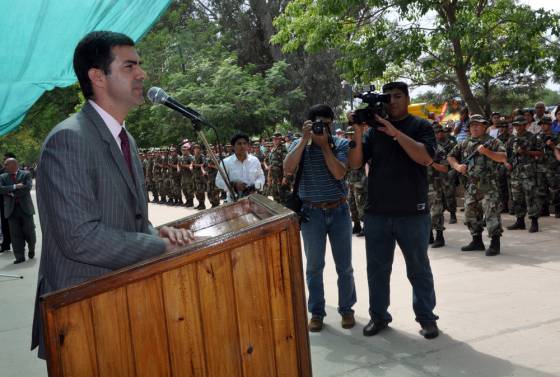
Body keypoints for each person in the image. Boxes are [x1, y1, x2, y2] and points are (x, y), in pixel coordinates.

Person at [31, 31, 193, 360]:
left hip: (121, 305)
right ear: (97, 77)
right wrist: (157, 246)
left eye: (140, 65)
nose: (142, 74)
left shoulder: (124, 138)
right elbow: (79, 238)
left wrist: (156, 232)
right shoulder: (69, 140)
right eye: (129, 66)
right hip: (84, 315)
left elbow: (127, 217)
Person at [348, 82, 439, 339]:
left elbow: (425, 158)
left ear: (408, 98)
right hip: (377, 212)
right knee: (376, 270)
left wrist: (395, 133)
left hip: (413, 211)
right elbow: (355, 164)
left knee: (418, 268)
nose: (392, 101)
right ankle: (378, 317)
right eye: (387, 98)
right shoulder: (373, 132)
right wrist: (357, 132)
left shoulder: (421, 126)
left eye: (398, 96)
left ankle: (427, 318)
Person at [284, 104, 356, 332]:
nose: (321, 127)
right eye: (317, 123)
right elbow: (287, 168)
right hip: (311, 213)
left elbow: (339, 173)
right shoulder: (300, 145)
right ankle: (316, 312)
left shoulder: (341, 144)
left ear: (332, 124)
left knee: (344, 266)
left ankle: (347, 309)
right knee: (314, 266)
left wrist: (325, 146)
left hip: (339, 211)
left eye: (326, 123)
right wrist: (305, 139)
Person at [447, 115, 507, 256]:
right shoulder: (464, 143)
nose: (474, 127)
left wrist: (487, 152)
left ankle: (495, 243)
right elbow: (450, 156)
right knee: (471, 214)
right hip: (471, 185)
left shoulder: (493, 142)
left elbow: (503, 157)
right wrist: (457, 166)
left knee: (491, 213)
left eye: (478, 125)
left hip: (489, 185)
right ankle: (476, 241)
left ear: (485, 126)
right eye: (472, 125)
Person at [505, 115, 543, 233]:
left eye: (520, 125)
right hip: (515, 173)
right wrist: (507, 164)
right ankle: (520, 221)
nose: (518, 127)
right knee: (517, 198)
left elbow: (541, 153)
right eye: (515, 125)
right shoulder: (511, 139)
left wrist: (527, 152)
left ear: (525, 125)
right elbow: (506, 155)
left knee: (531, 197)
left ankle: (534, 222)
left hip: (528, 173)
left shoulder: (533, 137)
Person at [0, 158, 36, 264]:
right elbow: (0, 189)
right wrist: (15, 186)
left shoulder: (26, 174)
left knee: (29, 232)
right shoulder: (2, 177)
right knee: (15, 235)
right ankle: (19, 257)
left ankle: (31, 248)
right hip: (11, 210)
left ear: (13, 164)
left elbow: (27, 187)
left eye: (6, 164)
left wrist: (12, 194)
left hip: (25, 209)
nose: (4, 166)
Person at [216, 133, 265, 201]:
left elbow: (261, 176)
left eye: (245, 143)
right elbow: (218, 181)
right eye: (239, 144)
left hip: (253, 200)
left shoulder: (255, 160)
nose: (242, 146)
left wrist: (257, 184)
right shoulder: (225, 162)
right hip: (233, 201)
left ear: (248, 146)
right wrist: (234, 185)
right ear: (233, 147)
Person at [0, 152, 14, 253]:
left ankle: (20, 243)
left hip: (18, 202)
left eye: (6, 160)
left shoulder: (21, 173)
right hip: (3, 202)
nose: (4, 162)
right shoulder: (1, 173)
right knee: (5, 223)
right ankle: (6, 243)